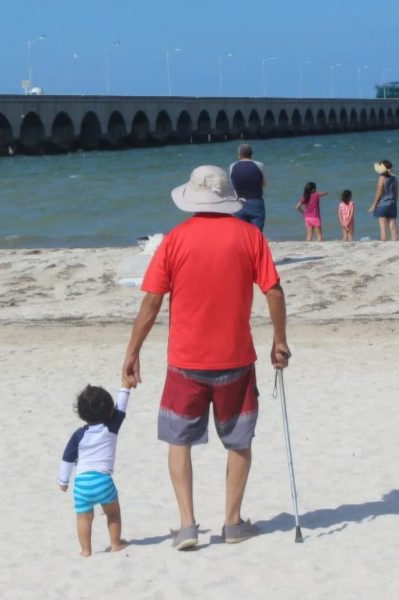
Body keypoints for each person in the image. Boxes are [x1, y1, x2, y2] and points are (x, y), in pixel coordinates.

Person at [122, 165, 290, 550]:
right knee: (239, 440)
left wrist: (133, 351)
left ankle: (187, 526)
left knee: (178, 440)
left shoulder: (175, 240)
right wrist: (279, 340)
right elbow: (274, 292)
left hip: (186, 361)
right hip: (236, 358)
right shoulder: (250, 236)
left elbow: (151, 302)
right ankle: (232, 522)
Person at [58, 384, 130, 557]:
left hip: (82, 484)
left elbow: (67, 458)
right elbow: (122, 407)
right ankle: (116, 543)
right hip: (103, 481)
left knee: (84, 518)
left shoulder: (78, 435)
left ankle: (86, 550)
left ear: (82, 414)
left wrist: (63, 481)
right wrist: (125, 387)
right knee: (113, 513)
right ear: (109, 409)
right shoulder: (111, 427)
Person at [229, 143, 266, 231]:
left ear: (239, 155)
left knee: (242, 233)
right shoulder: (259, 165)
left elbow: (233, 184)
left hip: (239, 203)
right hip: (256, 202)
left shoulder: (232, 166)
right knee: (256, 233)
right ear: (251, 154)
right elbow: (263, 183)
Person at [368, 159, 399, 241]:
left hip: (382, 205)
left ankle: (384, 241)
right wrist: (395, 204)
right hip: (392, 204)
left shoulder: (381, 178)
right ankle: (395, 241)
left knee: (383, 228)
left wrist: (373, 206)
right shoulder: (394, 178)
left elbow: (379, 193)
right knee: (392, 226)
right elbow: (395, 193)